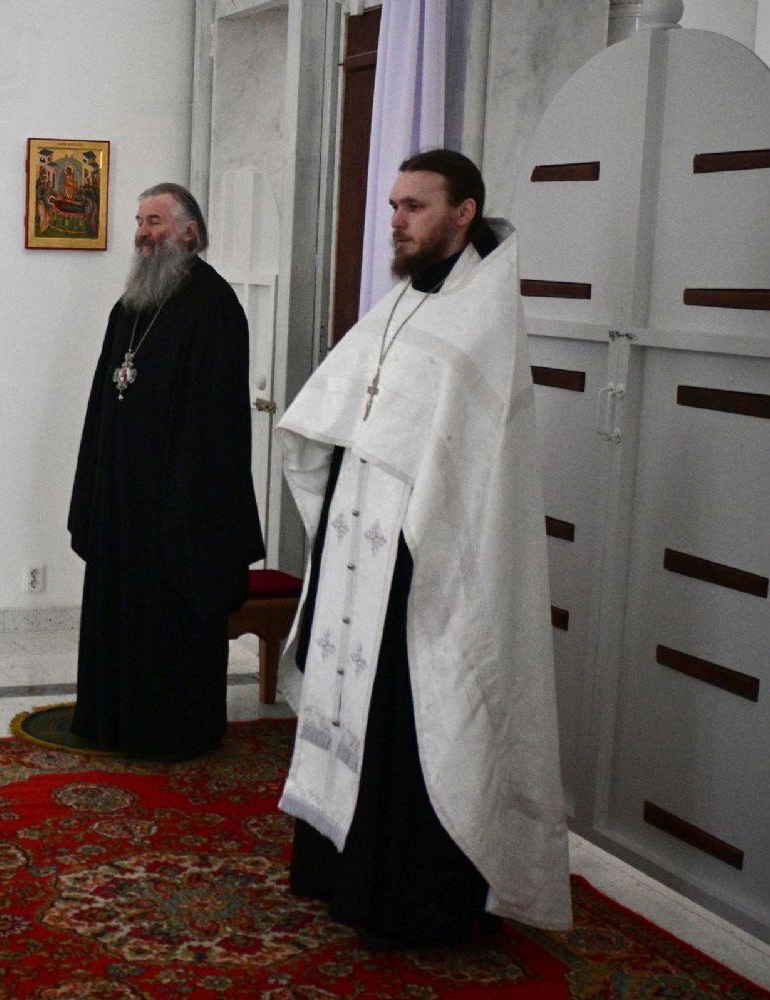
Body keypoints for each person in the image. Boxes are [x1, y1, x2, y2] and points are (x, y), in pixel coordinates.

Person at [275, 148, 571, 946]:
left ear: (463, 213)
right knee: (355, 704)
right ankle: (336, 869)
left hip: (424, 555)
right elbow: (344, 402)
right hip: (361, 538)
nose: (397, 221)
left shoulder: (482, 319)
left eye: (414, 206)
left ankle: (410, 901)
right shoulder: (402, 301)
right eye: (394, 206)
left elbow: (471, 467)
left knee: (411, 718)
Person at [67, 182, 265, 760]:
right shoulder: (130, 306)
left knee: (168, 624)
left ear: (189, 232)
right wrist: (96, 486)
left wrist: (183, 505)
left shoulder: (214, 306)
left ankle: (172, 729)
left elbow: (215, 426)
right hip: (120, 499)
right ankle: (110, 721)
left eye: (154, 221)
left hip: (179, 509)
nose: (142, 234)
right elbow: (104, 401)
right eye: (139, 221)